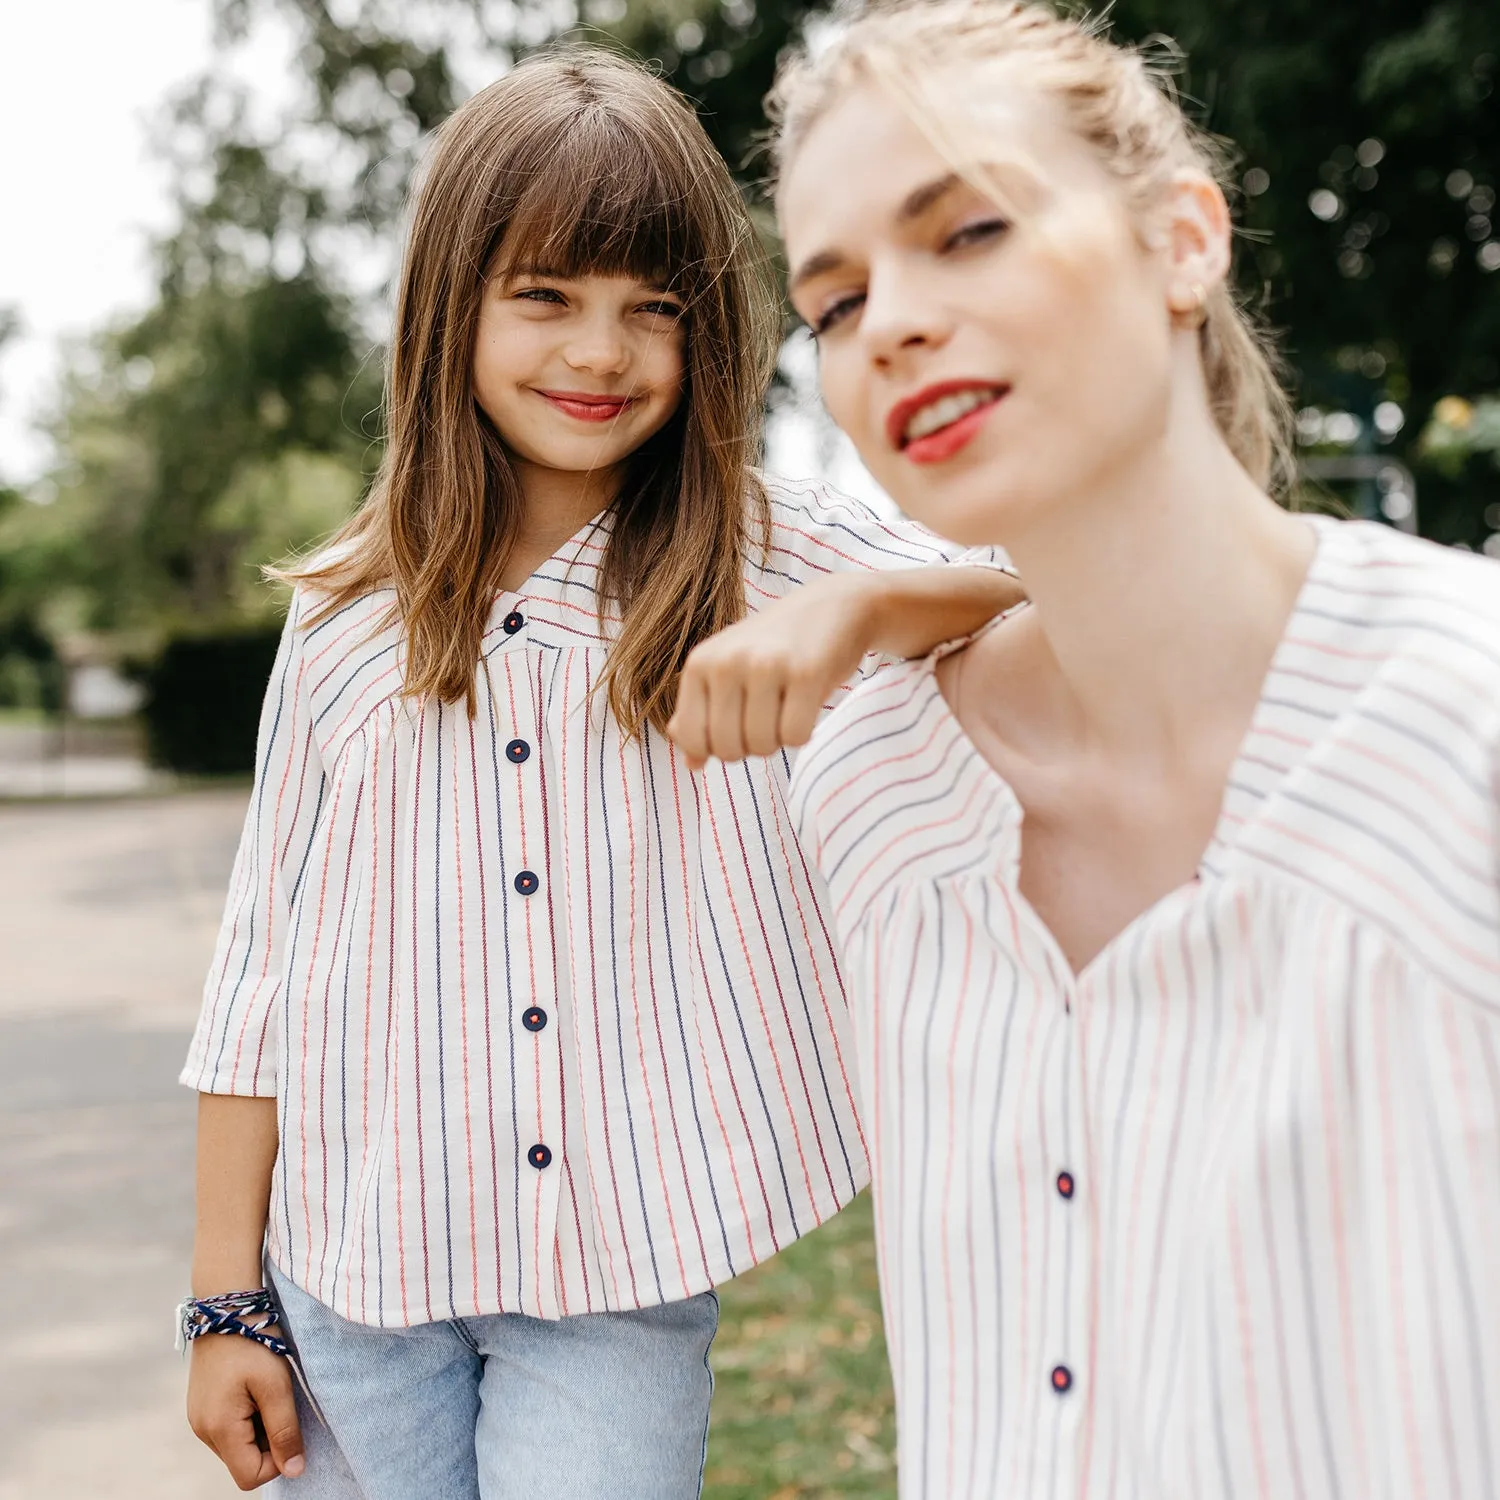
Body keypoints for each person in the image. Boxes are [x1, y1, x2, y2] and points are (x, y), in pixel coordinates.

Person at [668, 3, 1500, 1496]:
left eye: (968, 229)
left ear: (1183, 240)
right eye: (836, 301)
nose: (896, 322)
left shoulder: (1465, 718)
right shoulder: (874, 791)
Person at [178, 44, 1020, 1500]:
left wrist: (866, 612)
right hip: (352, 1280)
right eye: (545, 297)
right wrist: (222, 1300)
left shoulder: (778, 555)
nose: (600, 353)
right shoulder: (345, 616)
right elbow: (262, 969)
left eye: (654, 309)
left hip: (618, 1275)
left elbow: (1044, 596)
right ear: (453, 310)